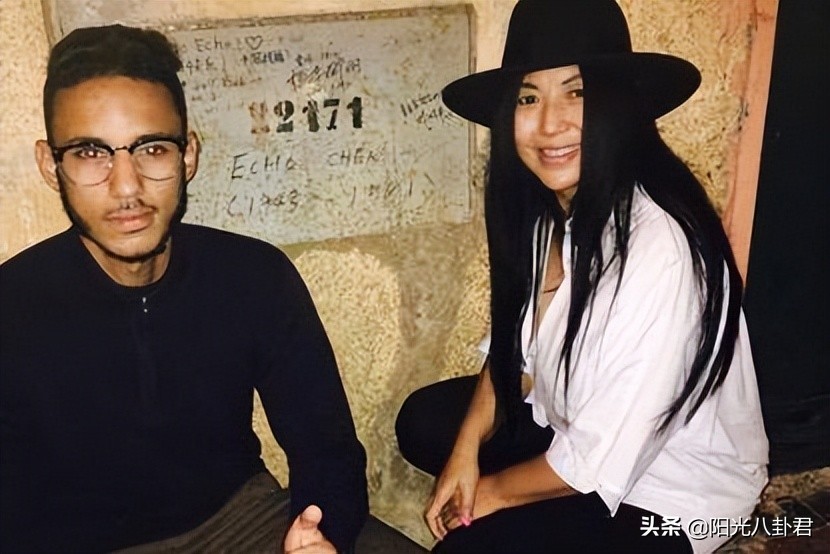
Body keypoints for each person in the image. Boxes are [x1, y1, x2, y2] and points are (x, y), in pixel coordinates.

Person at [395, 1, 769, 553]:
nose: (550, 124)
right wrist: (464, 454)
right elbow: (519, 357)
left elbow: (591, 460)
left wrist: (488, 496)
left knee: (466, 547)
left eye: (578, 93)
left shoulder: (660, 248)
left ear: (620, 105)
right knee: (427, 423)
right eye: (528, 98)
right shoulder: (555, 209)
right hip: (579, 427)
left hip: (672, 494)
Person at [0, 24, 367, 553]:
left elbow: (328, 451)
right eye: (90, 153)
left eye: (152, 148)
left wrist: (319, 534)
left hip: (242, 521)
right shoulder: (13, 308)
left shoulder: (254, 276)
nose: (126, 186)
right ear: (50, 166)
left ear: (188, 156)